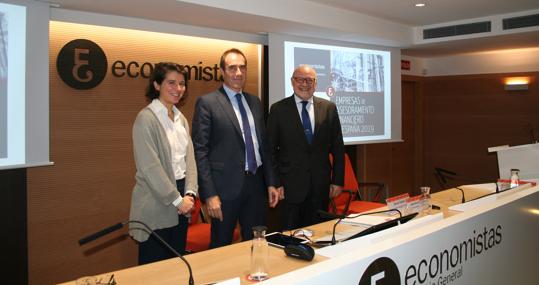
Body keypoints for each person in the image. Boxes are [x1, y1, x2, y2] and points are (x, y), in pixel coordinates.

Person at [192, 48, 279, 248]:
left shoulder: (255, 102)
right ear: (222, 71)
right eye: (232, 68)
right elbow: (200, 151)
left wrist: (271, 182)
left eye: (242, 67)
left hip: (256, 187)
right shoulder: (207, 103)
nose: (238, 72)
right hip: (224, 190)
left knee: (257, 244)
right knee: (221, 247)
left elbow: (263, 146)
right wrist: (209, 194)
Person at [129, 62, 197, 265]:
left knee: (176, 266)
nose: (178, 89)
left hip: (182, 200)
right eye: (171, 83)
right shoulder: (146, 119)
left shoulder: (180, 118)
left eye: (182, 84)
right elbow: (150, 168)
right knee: (155, 271)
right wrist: (178, 200)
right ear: (157, 85)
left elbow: (190, 160)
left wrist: (190, 193)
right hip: (156, 203)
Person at [267, 64, 345, 230]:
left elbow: (338, 148)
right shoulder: (278, 109)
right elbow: (270, 151)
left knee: (319, 234)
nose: (305, 84)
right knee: (290, 235)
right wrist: (275, 183)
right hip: (289, 188)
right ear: (292, 82)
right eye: (300, 79)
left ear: (315, 84)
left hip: (320, 186)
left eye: (310, 80)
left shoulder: (328, 108)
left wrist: (337, 181)